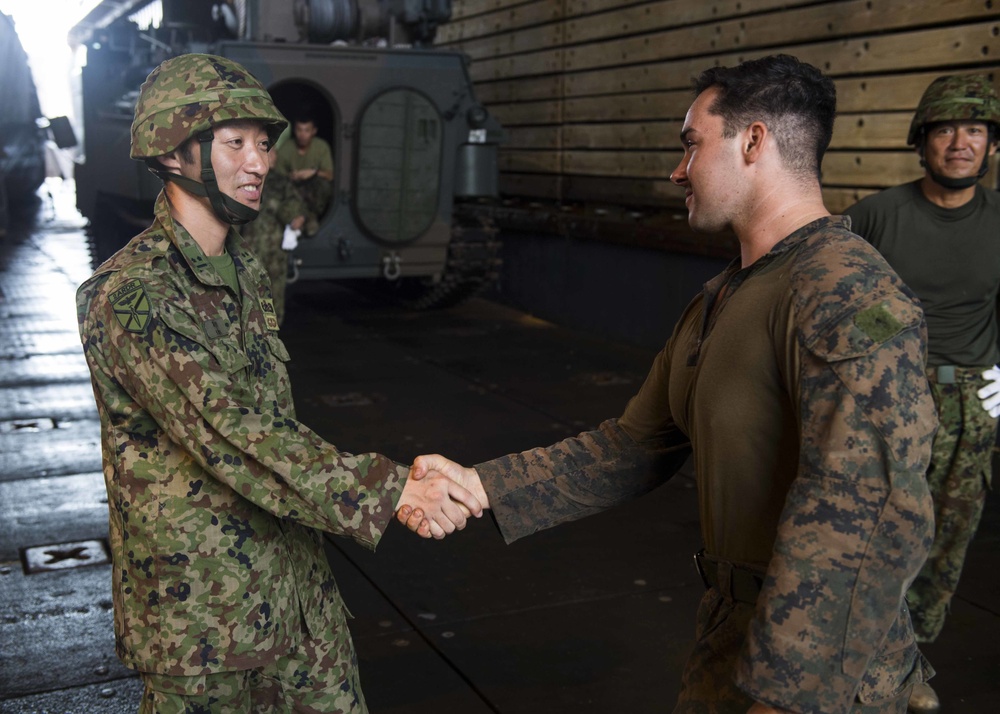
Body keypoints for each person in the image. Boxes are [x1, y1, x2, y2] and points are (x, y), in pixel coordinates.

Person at [400, 54, 939, 713]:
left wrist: (787, 697)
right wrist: (478, 487)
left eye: (690, 145)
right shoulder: (722, 298)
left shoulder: (843, 287)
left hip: (828, 673)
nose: (677, 170)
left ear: (753, 141)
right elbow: (629, 448)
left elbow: (863, 506)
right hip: (734, 636)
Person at [75, 53, 481, 713]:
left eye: (264, 143)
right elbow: (234, 434)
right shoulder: (130, 294)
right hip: (204, 624)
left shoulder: (244, 271)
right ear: (174, 152)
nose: (260, 161)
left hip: (295, 593)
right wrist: (388, 489)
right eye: (235, 143)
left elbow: (276, 425)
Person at [844, 74, 1000, 713]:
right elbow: (843, 314)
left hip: (972, 403)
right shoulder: (879, 214)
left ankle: (910, 667)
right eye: (945, 129)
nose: (960, 142)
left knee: (945, 548)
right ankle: (868, 665)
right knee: (875, 541)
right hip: (890, 400)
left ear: (992, 145)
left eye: (975, 130)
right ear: (922, 141)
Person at [241, 147, 314, 326]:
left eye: (272, 153)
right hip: (247, 250)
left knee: (272, 296)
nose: (270, 157)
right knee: (245, 295)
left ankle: (270, 338)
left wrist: (299, 219)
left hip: (274, 253)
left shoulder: (282, 183)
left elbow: (298, 210)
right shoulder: (242, 178)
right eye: (266, 152)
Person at [275, 111, 334, 225]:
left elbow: (330, 175)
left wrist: (313, 172)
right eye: (299, 130)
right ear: (294, 131)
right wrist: (291, 177)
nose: (302, 135)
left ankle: (308, 217)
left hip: (313, 192)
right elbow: (278, 178)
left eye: (307, 130)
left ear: (314, 131)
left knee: (324, 186)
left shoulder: (321, 147)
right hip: (292, 189)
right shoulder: (286, 148)